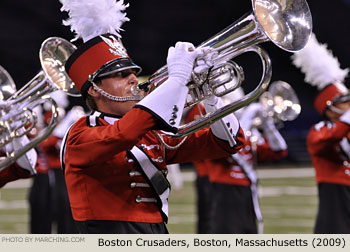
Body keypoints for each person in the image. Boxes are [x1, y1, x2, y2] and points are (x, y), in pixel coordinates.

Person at [59, 0, 245, 234]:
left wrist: (210, 95)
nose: (134, 79)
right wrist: (176, 81)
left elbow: (227, 143)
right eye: (121, 74)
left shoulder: (150, 134)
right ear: (95, 89)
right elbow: (122, 134)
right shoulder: (80, 134)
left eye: (133, 72)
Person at [186, 90, 288, 234]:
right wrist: (248, 115)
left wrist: (268, 125)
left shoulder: (249, 135)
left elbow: (280, 150)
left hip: (246, 193)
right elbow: (230, 146)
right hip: (224, 193)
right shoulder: (213, 134)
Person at [292, 33, 350, 233]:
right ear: (329, 109)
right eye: (345, 102)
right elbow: (329, 140)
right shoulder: (319, 131)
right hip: (335, 197)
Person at [28, 94, 83, 234]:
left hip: (66, 177)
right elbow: (45, 144)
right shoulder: (54, 129)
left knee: (67, 222)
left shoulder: (73, 126)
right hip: (50, 178)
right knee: (44, 220)